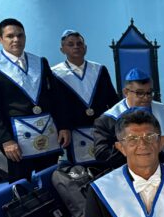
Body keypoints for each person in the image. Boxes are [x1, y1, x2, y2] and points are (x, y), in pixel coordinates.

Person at [0, 18, 70, 179]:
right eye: (10, 36)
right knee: (23, 185)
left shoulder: (40, 62)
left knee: (53, 178)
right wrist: (5, 140)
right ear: (0, 39)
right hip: (17, 141)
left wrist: (63, 126)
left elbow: (55, 97)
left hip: (48, 133)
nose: (16, 40)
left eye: (20, 35)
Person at [95, 69, 164, 169]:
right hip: (127, 172)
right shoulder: (107, 120)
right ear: (126, 92)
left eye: (149, 93)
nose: (146, 98)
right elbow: (102, 154)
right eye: (140, 93)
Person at [51, 29, 119, 165]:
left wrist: (117, 125)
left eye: (79, 43)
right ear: (62, 50)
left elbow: (112, 100)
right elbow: (55, 105)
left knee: (106, 164)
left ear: (85, 47)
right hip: (73, 130)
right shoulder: (54, 73)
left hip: (101, 128)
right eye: (70, 44)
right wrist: (62, 127)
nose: (76, 47)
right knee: (80, 170)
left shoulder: (99, 69)